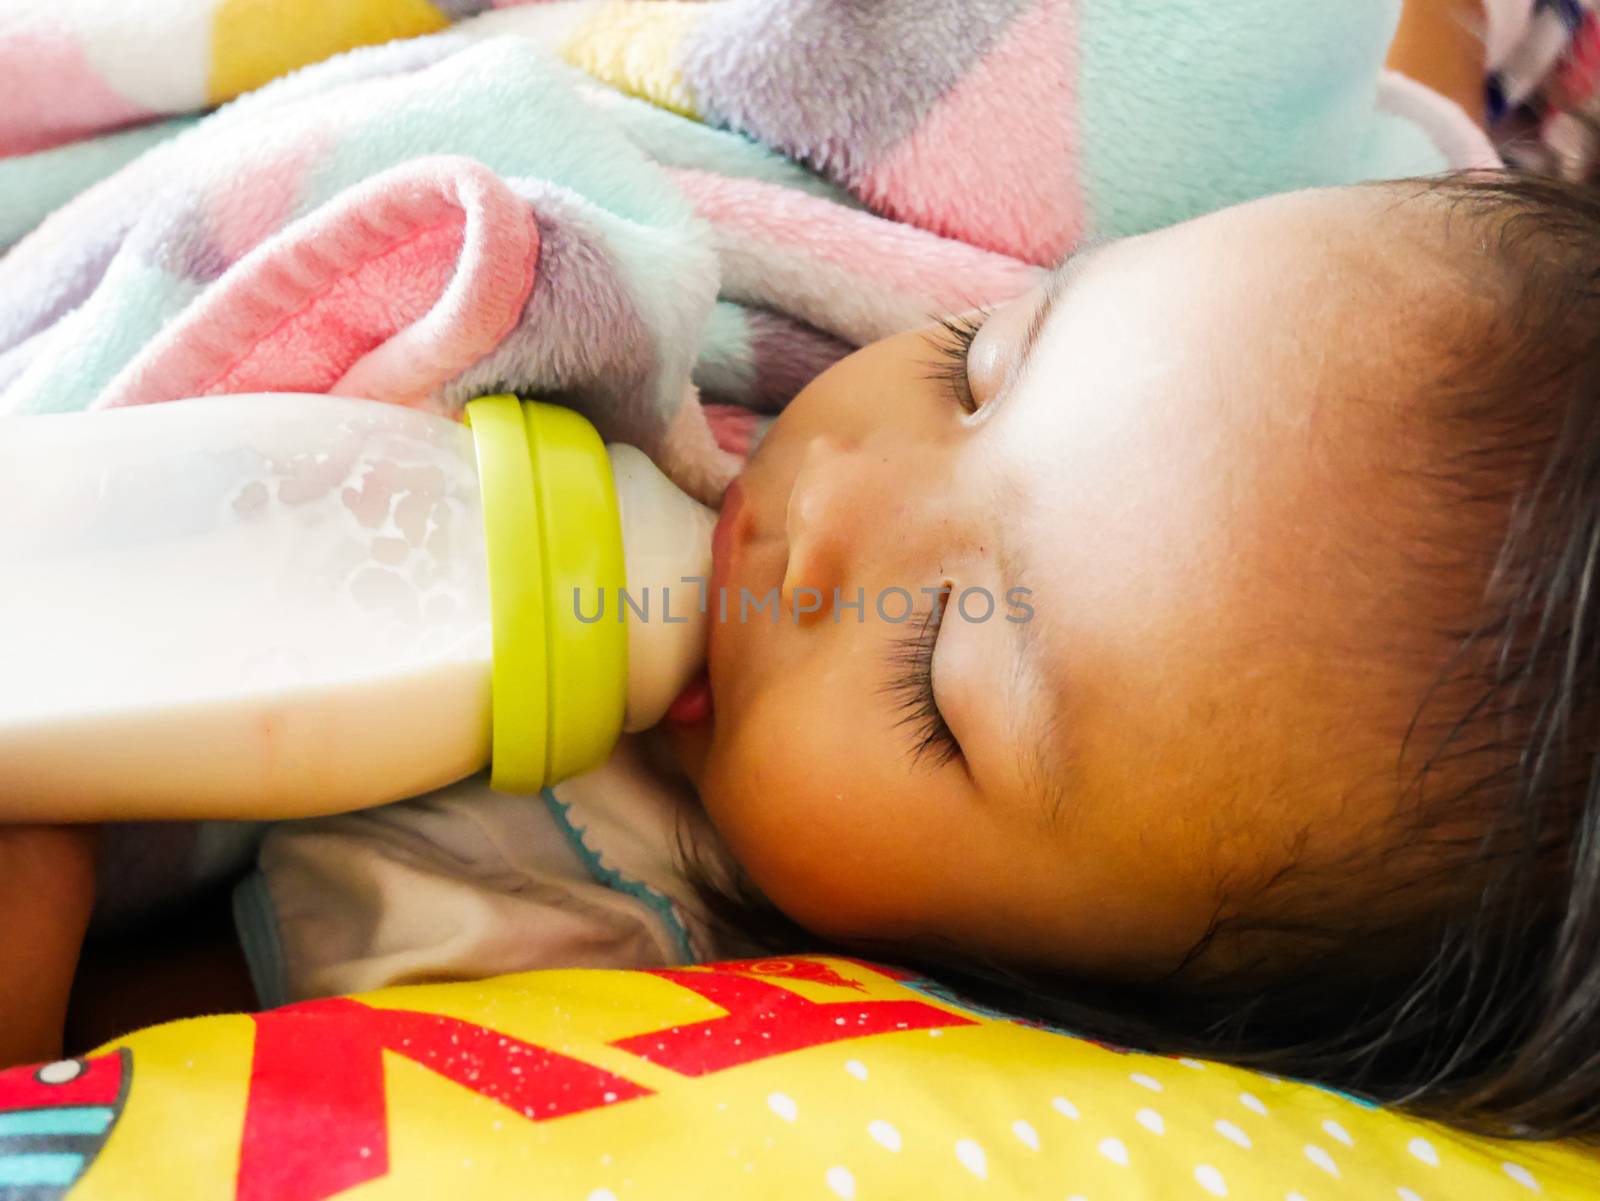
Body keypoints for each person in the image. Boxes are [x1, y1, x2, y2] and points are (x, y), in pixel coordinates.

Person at [15, 0, 1600, 1139]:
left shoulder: (579, 947)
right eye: (978, 366)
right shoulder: (1174, 298)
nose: (831, 495)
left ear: (1054, 998)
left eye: (941, 684)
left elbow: (122, 1085)